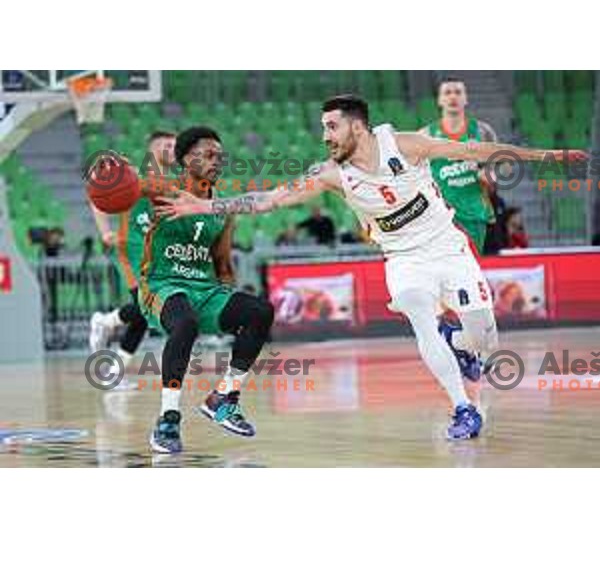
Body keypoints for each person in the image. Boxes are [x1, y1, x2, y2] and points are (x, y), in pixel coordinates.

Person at [155, 95, 588, 441]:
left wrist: (548, 156)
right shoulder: (331, 174)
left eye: (331, 126)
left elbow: (478, 149)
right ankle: (463, 408)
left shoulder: (405, 144)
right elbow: (270, 198)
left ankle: (460, 340)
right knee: (419, 313)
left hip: (448, 247)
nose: (324, 135)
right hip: (403, 259)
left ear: (356, 126)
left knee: (484, 339)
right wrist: (205, 205)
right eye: (322, 127)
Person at [140, 126, 274, 454]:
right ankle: (168, 418)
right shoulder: (165, 190)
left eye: (220, 156)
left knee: (260, 311)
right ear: (186, 159)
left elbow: (223, 263)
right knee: (185, 323)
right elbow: (129, 186)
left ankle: (223, 398)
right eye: (208, 155)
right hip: (162, 284)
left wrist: (231, 302)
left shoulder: (222, 208)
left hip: (205, 288)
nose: (217, 161)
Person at [88, 131, 176, 388]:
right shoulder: (131, 172)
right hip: (133, 249)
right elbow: (95, 194)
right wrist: (104, 231)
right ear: (156, 147)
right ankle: (105, 322)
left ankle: (113, 369)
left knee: (143, 316)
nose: (176, 150)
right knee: (147, 308)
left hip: (154, 253)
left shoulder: (168, 181)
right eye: (170, 145)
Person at [420, 77, 497, 254]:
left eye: (458, 92)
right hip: (442, 219)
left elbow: (502, 166)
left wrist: (490, 175)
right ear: (440, 100)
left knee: (475, 274)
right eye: (447, 92)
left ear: (466, 98)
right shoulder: (425, 135)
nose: (453, 97)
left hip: (477, 216)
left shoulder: (482, 131)